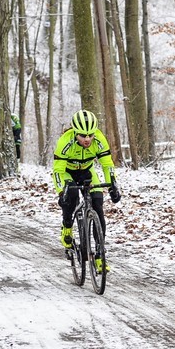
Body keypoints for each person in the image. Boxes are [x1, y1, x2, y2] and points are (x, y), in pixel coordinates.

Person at [52, 109, 121, 270]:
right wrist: (61, 192)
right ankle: (67, 227)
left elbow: (107, 164)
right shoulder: (65, 142)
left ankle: (99, 255)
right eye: (83, 135)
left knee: (98, 203)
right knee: (71, 196)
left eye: (90, 135)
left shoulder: (99, 140)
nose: (87, 139)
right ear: (75, 132)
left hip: (87, 171)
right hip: (67, 173)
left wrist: (113, 185)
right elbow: (58, 171)